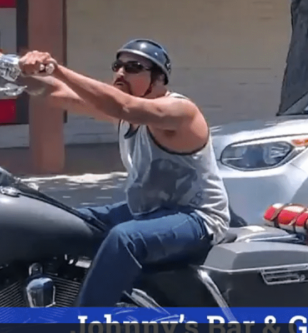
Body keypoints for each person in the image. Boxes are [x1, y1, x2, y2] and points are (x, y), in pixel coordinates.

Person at [17, 40, 230, 306]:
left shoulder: (179, 111)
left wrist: (55, 69)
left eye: (133, 67)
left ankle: (82, 330)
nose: (120, 73)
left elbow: (124, 106)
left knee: (124, 238)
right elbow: (55, 94)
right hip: (147, 211)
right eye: (118, 66)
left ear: (159, 78)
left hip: (197, 217)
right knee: (66, 220)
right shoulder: (127, 115)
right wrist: (19, 72)